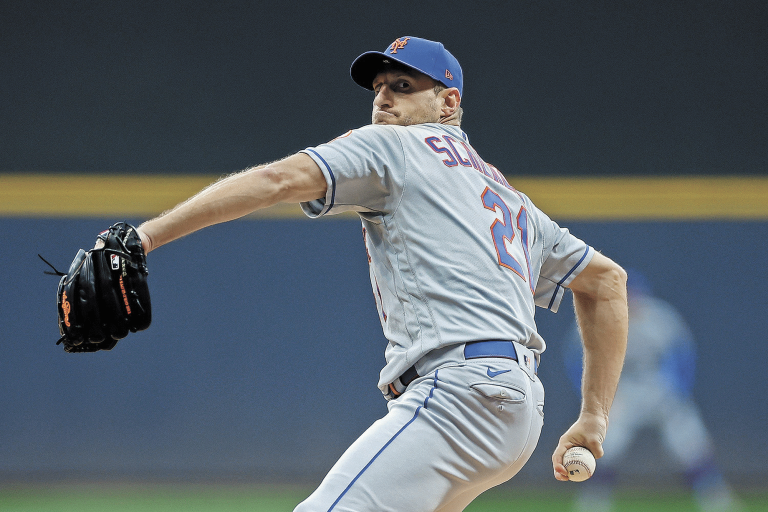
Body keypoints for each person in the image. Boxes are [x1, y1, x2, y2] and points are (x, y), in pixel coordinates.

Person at [128, 36, 628, 511]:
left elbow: (276, 179)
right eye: (379, 88)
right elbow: (606, 283)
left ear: (448, 103)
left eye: (404, 86)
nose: (384, 98)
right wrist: (594, 419)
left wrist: (142, 240)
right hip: (515, 409)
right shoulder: (511, 202)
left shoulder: (395, 147)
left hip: (459, 393)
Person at [566, 270, 740, 512]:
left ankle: (715, 500)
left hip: (658, 386)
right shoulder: (597, 318)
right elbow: (577, 361)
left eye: (633, 294)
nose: (630, 300)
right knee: (606, 445)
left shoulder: (659, 317)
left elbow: (682, 354)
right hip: (621, 391)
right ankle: (593, 503)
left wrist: (679, 390)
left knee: (690, 443)